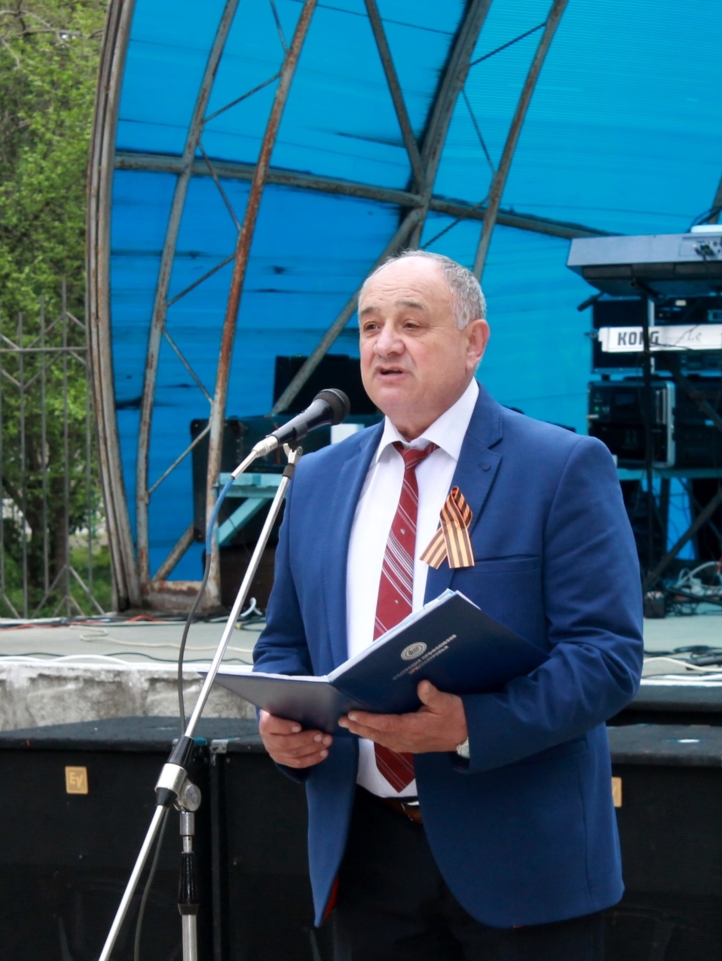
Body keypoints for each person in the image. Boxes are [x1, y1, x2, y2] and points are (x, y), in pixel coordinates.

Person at [253, 250, 643, 960]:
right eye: (370, 326)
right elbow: (284, 644)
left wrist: (470, 726)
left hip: (521, 859)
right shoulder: (316, 479)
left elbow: (606, 657)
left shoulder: (560, 466)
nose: (385, 344)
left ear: (474, 342)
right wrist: (281, 725)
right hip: (364, 857)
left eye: (411, 324)